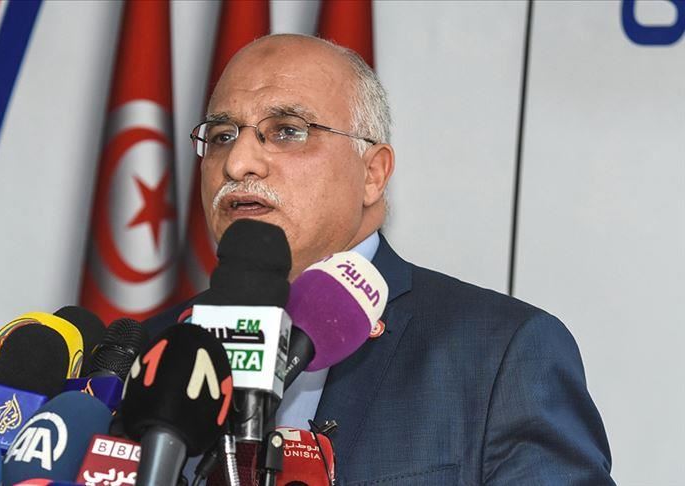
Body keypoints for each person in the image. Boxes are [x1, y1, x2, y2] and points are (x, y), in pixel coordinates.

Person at [145, 34, 613, 485]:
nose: (238, 162)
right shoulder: (149, 353)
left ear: (372, 173)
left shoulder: (499, 354)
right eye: (222, 136)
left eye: (287, 131)